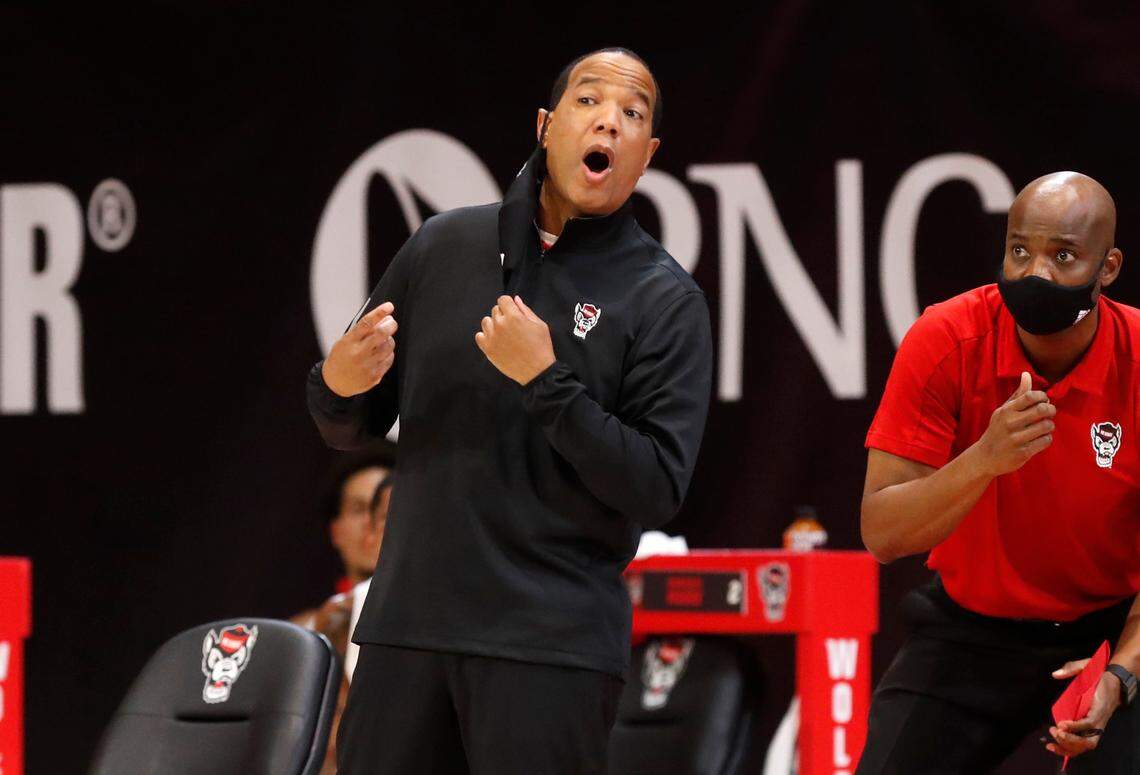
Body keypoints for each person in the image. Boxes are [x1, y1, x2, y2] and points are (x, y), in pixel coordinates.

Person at [307, 47, 713, 775]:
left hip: (548, 647)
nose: (611, 124)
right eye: (591, 102)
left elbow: (657, 484)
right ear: (546, 124)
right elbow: (348, 422)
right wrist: (336, 382)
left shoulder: (663, 299)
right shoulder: (443, 245)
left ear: (647, 157)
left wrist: (549, 382)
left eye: (633, 114)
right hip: (409, 632)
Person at [857, 171, 1139, 773]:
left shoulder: (1138, 357)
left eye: (1063, 256)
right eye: (1020, 251)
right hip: (970, 630)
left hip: (1113, 631)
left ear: (1107, 267)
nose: (1035, 274)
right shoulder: (946, 337)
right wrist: (983, 461)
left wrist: (1121, 674)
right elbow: (882, 534)